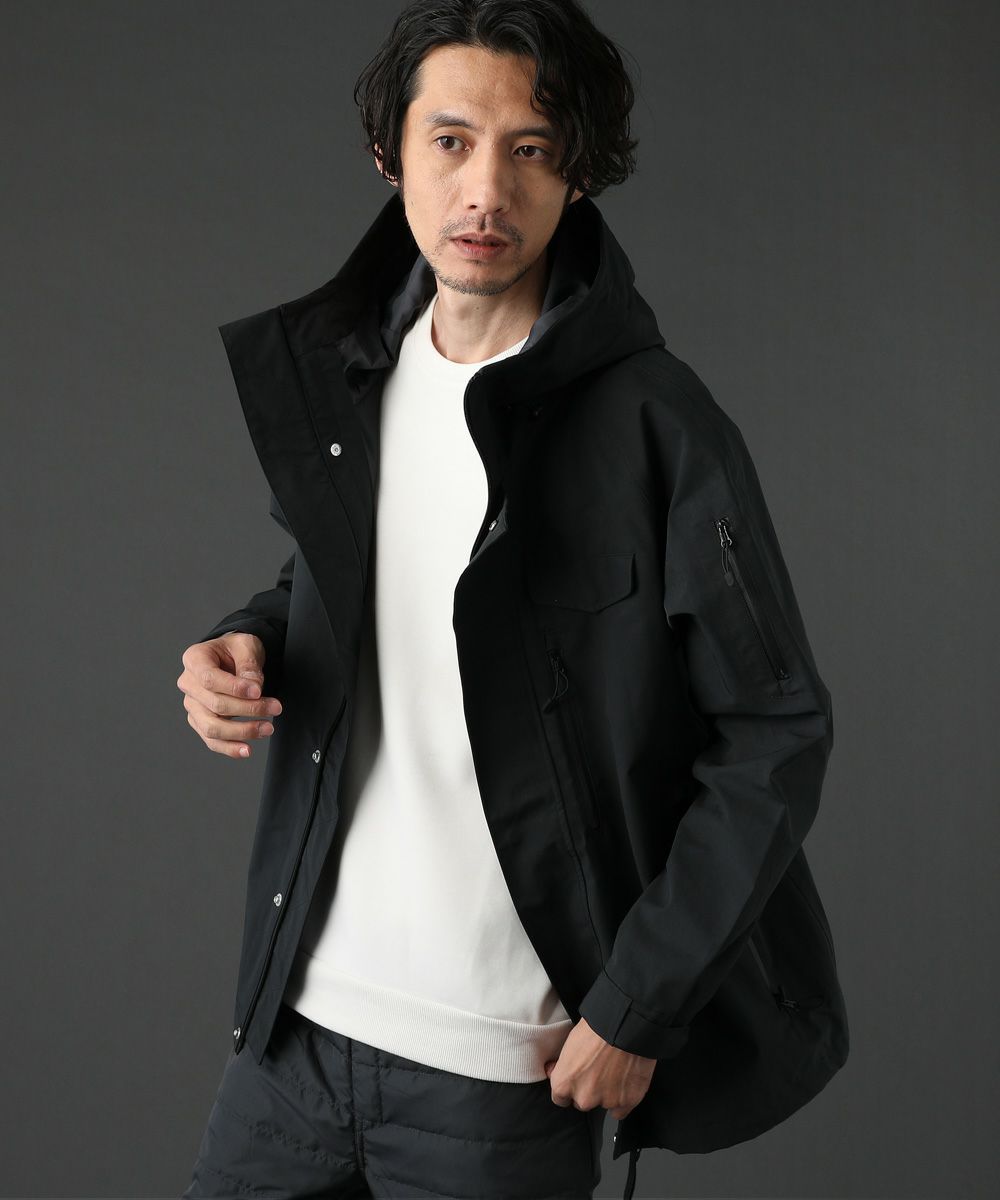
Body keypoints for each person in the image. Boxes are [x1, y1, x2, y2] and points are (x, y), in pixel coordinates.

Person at [176, 2, 849, 1197]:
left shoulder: (658, 424)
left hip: (498, 1082)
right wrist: (246, 643)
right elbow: (341, 589)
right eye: (450, 141)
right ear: (390, 154)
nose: (484, 190)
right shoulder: (350, 380)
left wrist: (639, 1004)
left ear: (577, 172)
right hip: (292, 1036)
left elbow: (774, 732)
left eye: (530, 149)